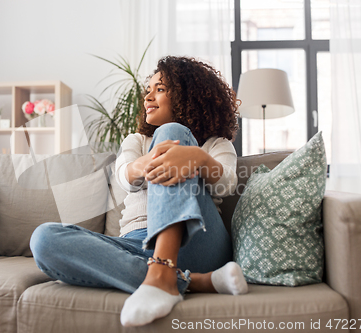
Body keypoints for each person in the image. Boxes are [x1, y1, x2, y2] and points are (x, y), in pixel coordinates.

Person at [30, 55, 248, 327]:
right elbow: (124, 177)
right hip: (137, 245)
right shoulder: (136, 140)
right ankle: (188, 281)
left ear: (188, 96)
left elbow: (226, 182)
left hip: (198, 241)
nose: (148, 97)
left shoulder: (217, 144)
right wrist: (147, 162)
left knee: (172, 132)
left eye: (160, 89)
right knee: (44, 239)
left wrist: (196, 158)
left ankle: (162, 275)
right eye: (148, 90)